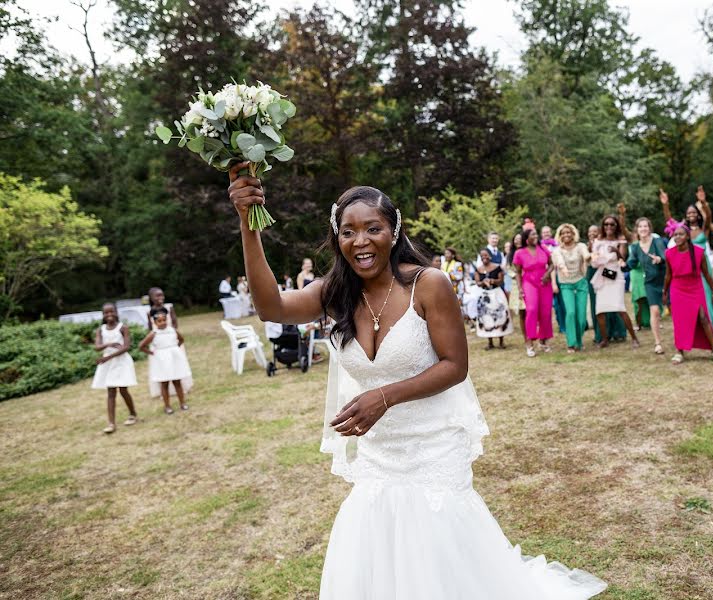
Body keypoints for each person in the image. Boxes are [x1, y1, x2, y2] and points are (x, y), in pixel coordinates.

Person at [227, 166, 606, 599]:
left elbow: (454, 365)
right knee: (378, 548)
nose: (361, 241)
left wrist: (384, 397)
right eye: (348, 232)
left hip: (433, 449)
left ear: (394, 231)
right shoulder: (334, 292)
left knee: (437, 551)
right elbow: (271, 307)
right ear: (337, 239)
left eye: (373, 228)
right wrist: (247, 222)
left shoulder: (429, 284)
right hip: (378, 456)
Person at [660, 186, 713, 339]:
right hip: (688, 266)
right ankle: (697, 328)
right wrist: (665, 204)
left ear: (698, 215)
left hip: (703, 266)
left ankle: (712, 327)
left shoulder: (704, 230)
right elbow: (669, 221)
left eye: (694, 212)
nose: (691, 214)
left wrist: (703, 203)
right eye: (689, 212)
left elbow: (708, 216)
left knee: (706, 295)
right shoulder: (684, 231)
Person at [664, 225, 713, 364]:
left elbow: (707, 274)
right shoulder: (669, 253)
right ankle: (679, 351)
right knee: (679, 320)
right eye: (675, 234)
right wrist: (665, 292)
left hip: (695, 288)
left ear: (688, 236)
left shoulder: (698, 252)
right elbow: (668, 275)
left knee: (703, 317)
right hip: (677, 289)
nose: (677, 237)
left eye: (681, 234)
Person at [590, 215, 639, 348]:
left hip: (615, 277)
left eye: (612, 224)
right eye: (606, 224)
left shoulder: (621, 240)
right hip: (602, 276)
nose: (609, 227)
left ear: (616, 226)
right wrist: (595, 258)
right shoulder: (598, 241)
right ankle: (605, 339)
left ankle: (634, 338)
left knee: (620, 308)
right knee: (600, 310)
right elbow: (594, 259)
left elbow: (622, 258)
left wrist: (616, 250)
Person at [91, 303, 138, 434]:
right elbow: (97, 346)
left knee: (123, 390)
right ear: (103, 315)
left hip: (121, 361)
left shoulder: (123, 327)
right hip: (108, 363)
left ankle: (133, 414)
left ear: (116, 312)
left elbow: (126, 347)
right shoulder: (101, 330)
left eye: (111, 312)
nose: (109, 315)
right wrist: (110, 344)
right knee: (111, 392)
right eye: (106, 313)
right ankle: (111, 423)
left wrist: (108, 357)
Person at [139, 307, 192, 414]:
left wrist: (175, 348)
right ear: (154, 322)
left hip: (174, 359)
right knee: (164, 383)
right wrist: (152, 353)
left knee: (177, 381)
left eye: (164, 320)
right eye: (159, 321)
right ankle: (167, 406)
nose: (163, 323)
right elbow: (142, 346)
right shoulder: (154, 333)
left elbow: (181, 339)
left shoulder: (172, 330)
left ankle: (182, 403)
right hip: (161, 360)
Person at [627, 218, 667, 354]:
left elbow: (665, 256)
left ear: (649, 228)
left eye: (646, 226)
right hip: (650, 282)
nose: (643, 229)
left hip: (665, 279)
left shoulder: (657, 241)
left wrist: (659, 259)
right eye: (640, 226)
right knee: (655, 311)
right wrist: (621, 265)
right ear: (637, 229)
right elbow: (630, 264)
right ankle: (657, 343)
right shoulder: (635, 247)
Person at [514, 227, 556, 357]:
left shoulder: (543, 249)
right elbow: (518, 272)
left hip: (544, 283)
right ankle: (529, 342)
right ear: (527, 238)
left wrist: (548, 274)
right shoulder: (519, 253)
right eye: (533, 234)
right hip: (529, 282)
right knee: (531, 310)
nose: (536, 236)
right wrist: (520, 289)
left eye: (536, 234)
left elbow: (551, 264)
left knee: (545, 312)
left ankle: (543, 340)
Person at [551, 223, 590, 352]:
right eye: (563, 233)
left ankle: (579, 340)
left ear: (573, 234)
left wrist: (588, 257)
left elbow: (585, 255)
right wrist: (564, 269)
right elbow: (559, 262)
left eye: (568, 232)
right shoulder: (557, 251)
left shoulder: (581, 246)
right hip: (566, 284)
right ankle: (571, 343)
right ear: (560, 236)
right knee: (571, 312)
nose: (566, 235)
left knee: (581, 317)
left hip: (580, 283)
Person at [474, 249, 513, 349]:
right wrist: (483, 282)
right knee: (486, 317)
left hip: (496, 293)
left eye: (486, 255)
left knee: (500, 315)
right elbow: (477, 282)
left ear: (490, 256)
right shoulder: (478, 269)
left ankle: (501, 341)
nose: (484, 257)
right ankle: (490, 342)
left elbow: (501, 281)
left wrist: (492, 281)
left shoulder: (497, 267)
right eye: (482, 256)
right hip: (485, 295)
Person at [506, 233, 528, 345]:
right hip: (517, 284)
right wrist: (517, 276)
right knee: (522, 312)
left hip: (529, 282)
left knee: (531, 311)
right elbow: (508, 269)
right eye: (516, 239)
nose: (518, 241)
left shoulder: (528, 251)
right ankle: (526, 338)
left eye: (520, 239)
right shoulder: (510, 255)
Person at [584, 224, 604, 345]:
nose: (592, 233)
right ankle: (598, 333)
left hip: (603, 273)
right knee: (594, 304)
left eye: (595, 231)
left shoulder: (604, 243)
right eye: (590, 231)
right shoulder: (585, 246)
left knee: (606, 302)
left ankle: (613, 332)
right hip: (591, 274)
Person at [441, 246, 466, 311]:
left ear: (453, 255)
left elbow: (459, 277)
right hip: (445, 287)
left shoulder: (458, 264)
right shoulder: (443, 264)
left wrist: (449, 275)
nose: (446, 255)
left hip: (456, 287)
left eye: (448, 253)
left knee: (457, 306)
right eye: (445, 253)